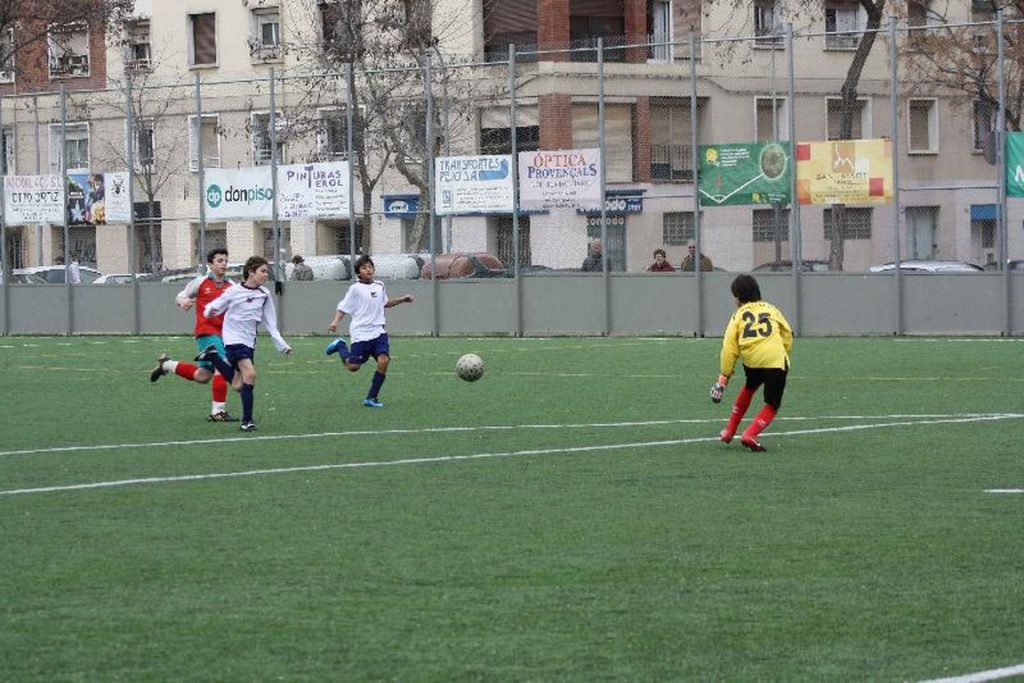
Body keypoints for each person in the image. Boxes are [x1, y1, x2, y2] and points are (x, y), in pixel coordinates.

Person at [195, 255, 293, 432]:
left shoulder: (265, 294)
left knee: (239, 385)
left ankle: (213, 357)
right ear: (251, 272)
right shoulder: (234, 291)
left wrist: (282, 345)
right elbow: (214, 306)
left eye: (267, 272)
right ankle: (247, 421)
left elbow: (271, 323)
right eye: (263, 271)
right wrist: (210, 311)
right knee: (251, 374)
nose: (266, 275)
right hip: (233, 340)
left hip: (249, 342)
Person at [150, 248, 237, 422]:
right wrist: (182, 302)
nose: (223, 264)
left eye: (225, 261)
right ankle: (217, 412)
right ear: (210, 264)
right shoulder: (201, 282)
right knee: (223, 365)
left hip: (225, 334)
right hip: (206, 332)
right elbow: (181, 296)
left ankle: (167, 365)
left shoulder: (232, 286)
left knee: (203, 376)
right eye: (219, 261)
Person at [710, 274, 793, 452]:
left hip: (752, 360)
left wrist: (723, 377)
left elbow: (729, 348)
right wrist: (783, 351)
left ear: (739, 298)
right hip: (775, 361)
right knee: (772, 404)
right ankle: (750, 434)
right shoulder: (771, 309)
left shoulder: (738, 315)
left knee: (749, 387)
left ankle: (729, 431)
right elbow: (787, 333)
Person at [325, 254, 414, 408]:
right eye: (364, 267)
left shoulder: (380, 285)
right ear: (358, 272)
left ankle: (371, 398)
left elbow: (385, 303)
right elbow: (343, 307)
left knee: (384, 361)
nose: (368, 269)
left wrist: (402, 299)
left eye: (370, 267)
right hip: (360, 333)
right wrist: (335, 322)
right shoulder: (355, 289)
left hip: (379, 332)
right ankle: (340, 346)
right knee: (353, 367)